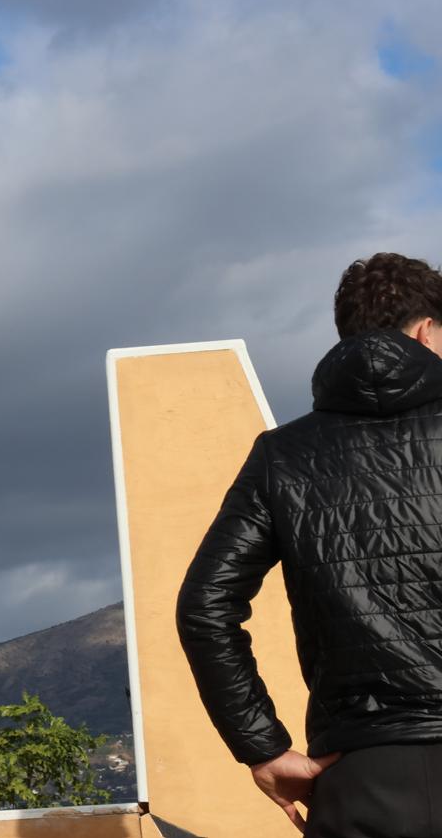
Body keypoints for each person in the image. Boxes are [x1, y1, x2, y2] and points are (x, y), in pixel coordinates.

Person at [177, 252, 442, 836]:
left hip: (361, 779)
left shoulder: (283, 456)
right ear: (426, 331)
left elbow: (205, 606)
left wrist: (263, 748)